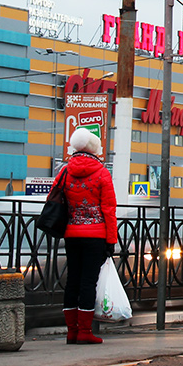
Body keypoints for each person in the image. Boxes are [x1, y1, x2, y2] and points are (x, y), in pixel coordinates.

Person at [60, 127, 117, 345]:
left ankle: (71, 331)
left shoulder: (65, 172)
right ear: (94, 148)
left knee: (72, 280)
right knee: (88, 282)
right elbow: (109, 209)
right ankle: (85, 331)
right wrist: (111, 240)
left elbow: (54, 198)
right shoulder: (102, 172)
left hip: (71, 233)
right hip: (96, 235)